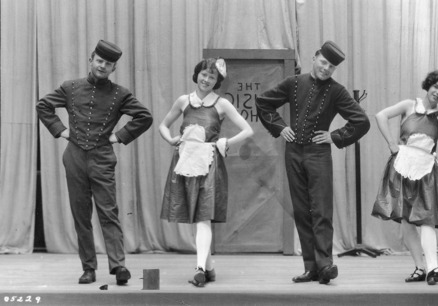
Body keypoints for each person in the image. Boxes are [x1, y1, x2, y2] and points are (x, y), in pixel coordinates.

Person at [36, 40, 153, 285]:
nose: (102, 66)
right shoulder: (70, 87)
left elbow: (144, 116)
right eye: (99, 61)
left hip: (102, 158)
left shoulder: (120, 94)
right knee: (81, 215)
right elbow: (44, 105)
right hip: (75, 157)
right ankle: (88, 268)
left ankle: (118, 266)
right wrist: (61, 130)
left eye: (108, 64)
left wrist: (118, 136)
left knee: (108, 213)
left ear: (114, 68)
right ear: (91, 60)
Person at [255, 41, 370, 285]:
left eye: (331, 67)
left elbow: (361, 121)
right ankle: (311, 268)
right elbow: (263, 103)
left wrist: (334, 136)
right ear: (314, 57)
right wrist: (279, 127)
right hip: (293, 154)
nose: (326, 69)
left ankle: (326, 265)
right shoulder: (293, 83)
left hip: (318, 155)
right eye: (323, 62)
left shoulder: (337, 91)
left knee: (321, 211)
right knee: (301, 211)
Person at [158, 58, 253, 287]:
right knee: (198, 218)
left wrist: (225, 141)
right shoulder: (183, 101)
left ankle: (200, 268)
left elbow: (248, 130)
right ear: (197, 74)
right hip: (186, 163)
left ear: (217, 81)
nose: (206, 80)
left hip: (210, 164)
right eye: (204, 74)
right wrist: (171, 138)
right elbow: (163, 125)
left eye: (212, 77)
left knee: (203, 217)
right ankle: (209, 267)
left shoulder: (221, 104)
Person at [371, 70, 438, 285]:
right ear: (428, 85)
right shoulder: (408, 105)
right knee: (406, 221)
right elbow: (381, 116)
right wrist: (390, 143)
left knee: (426, 219)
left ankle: (434, 268)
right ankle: (420, 268)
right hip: (402, 167)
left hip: (425, 171)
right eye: (436, 87)